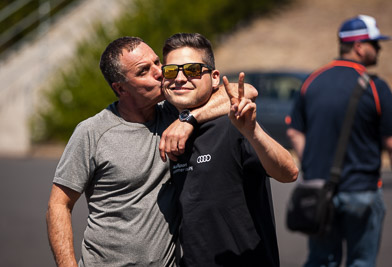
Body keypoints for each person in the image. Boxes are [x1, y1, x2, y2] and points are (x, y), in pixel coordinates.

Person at [46, 36, 257, 266]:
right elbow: (58, 205)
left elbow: (245, 91)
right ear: (121, 88)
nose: (161, 72)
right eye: (144, 70)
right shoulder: (92, 132)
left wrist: (189, 119)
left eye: (157, 62)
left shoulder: (175, 110)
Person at [161, 32, 298, 267]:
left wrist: (252, 132)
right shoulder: (164, 123)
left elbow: (288, 172)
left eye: (192, 70)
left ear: (215, 78)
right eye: (171, 71)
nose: (180, 78)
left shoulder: (233, 123)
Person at [287, 15, 392, 267]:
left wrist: (311, 168)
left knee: (322, 260)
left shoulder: (312, 81)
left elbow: (294, 132)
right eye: (374, 44)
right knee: (361, 261)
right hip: (362, 192)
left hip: (320, 191)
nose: (378, 49)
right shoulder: (376, 87)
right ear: (358, 46)